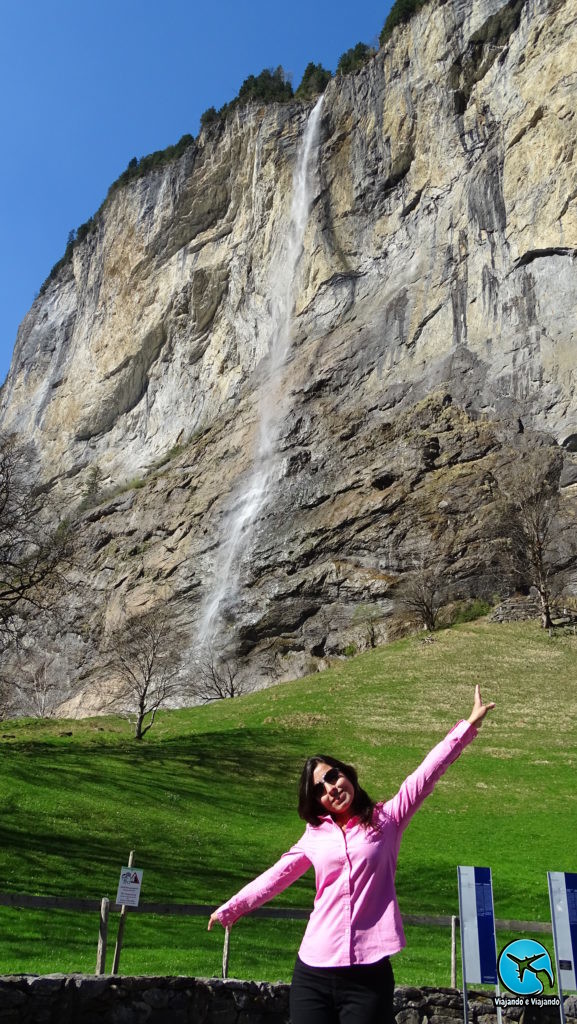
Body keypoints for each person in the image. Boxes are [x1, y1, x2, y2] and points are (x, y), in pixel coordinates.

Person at [208, 684, 495, 1024]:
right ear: (318, 802)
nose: (331, 788)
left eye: (332, 776)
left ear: (347, 774)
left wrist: (468, 727)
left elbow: (426, 774)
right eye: (320, 790)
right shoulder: (314, 837)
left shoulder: (388, 819)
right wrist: (233, 908)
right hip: (312, 972)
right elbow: (276, 877)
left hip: (367, 976)